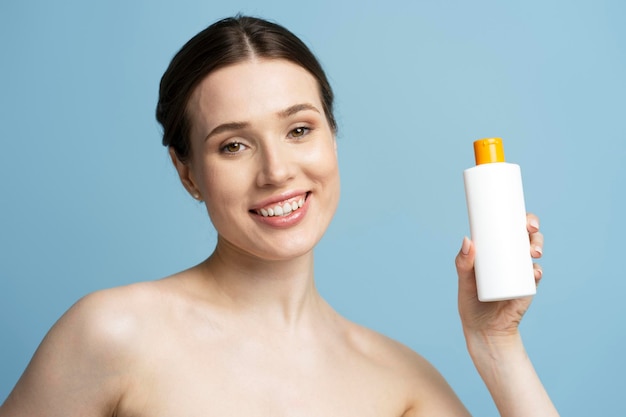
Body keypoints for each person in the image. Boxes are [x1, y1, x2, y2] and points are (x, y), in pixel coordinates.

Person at [0, 15, 558, 416]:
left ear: (332, 139)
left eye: (299, 130)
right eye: (233, 146)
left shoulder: (400, 382)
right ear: (187, 171)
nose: (276, 172)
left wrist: (496, 346)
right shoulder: (110, 335)